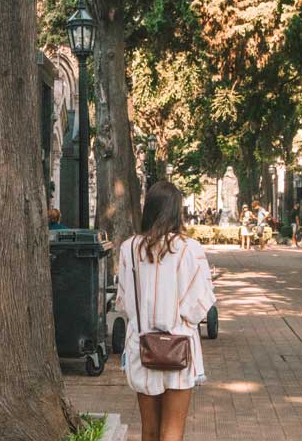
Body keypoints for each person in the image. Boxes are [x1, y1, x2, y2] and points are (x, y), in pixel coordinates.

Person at [116, 181, 216, 441]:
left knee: (149, 431)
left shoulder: (129, 248)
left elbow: (124, 302)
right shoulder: (190, 249)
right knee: (172, 431)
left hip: (142, 345)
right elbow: (200, 304)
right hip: (179, 346)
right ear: (176, 211)